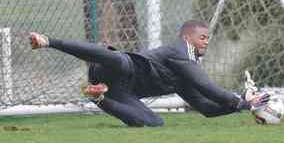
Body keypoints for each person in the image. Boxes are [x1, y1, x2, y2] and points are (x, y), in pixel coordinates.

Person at [29, 20, 269, 127]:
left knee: (154, 122)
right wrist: (242, 101)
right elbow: (207, 88)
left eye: (208, 38)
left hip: (120, 92)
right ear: (188, 38)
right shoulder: (181, 51)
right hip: (118, 68)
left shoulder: (187, 69)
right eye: (202, 37)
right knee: (120, 61)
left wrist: (241, 105)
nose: (206, 42)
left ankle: (98, 96)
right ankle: (48, 41)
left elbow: (206, 108)